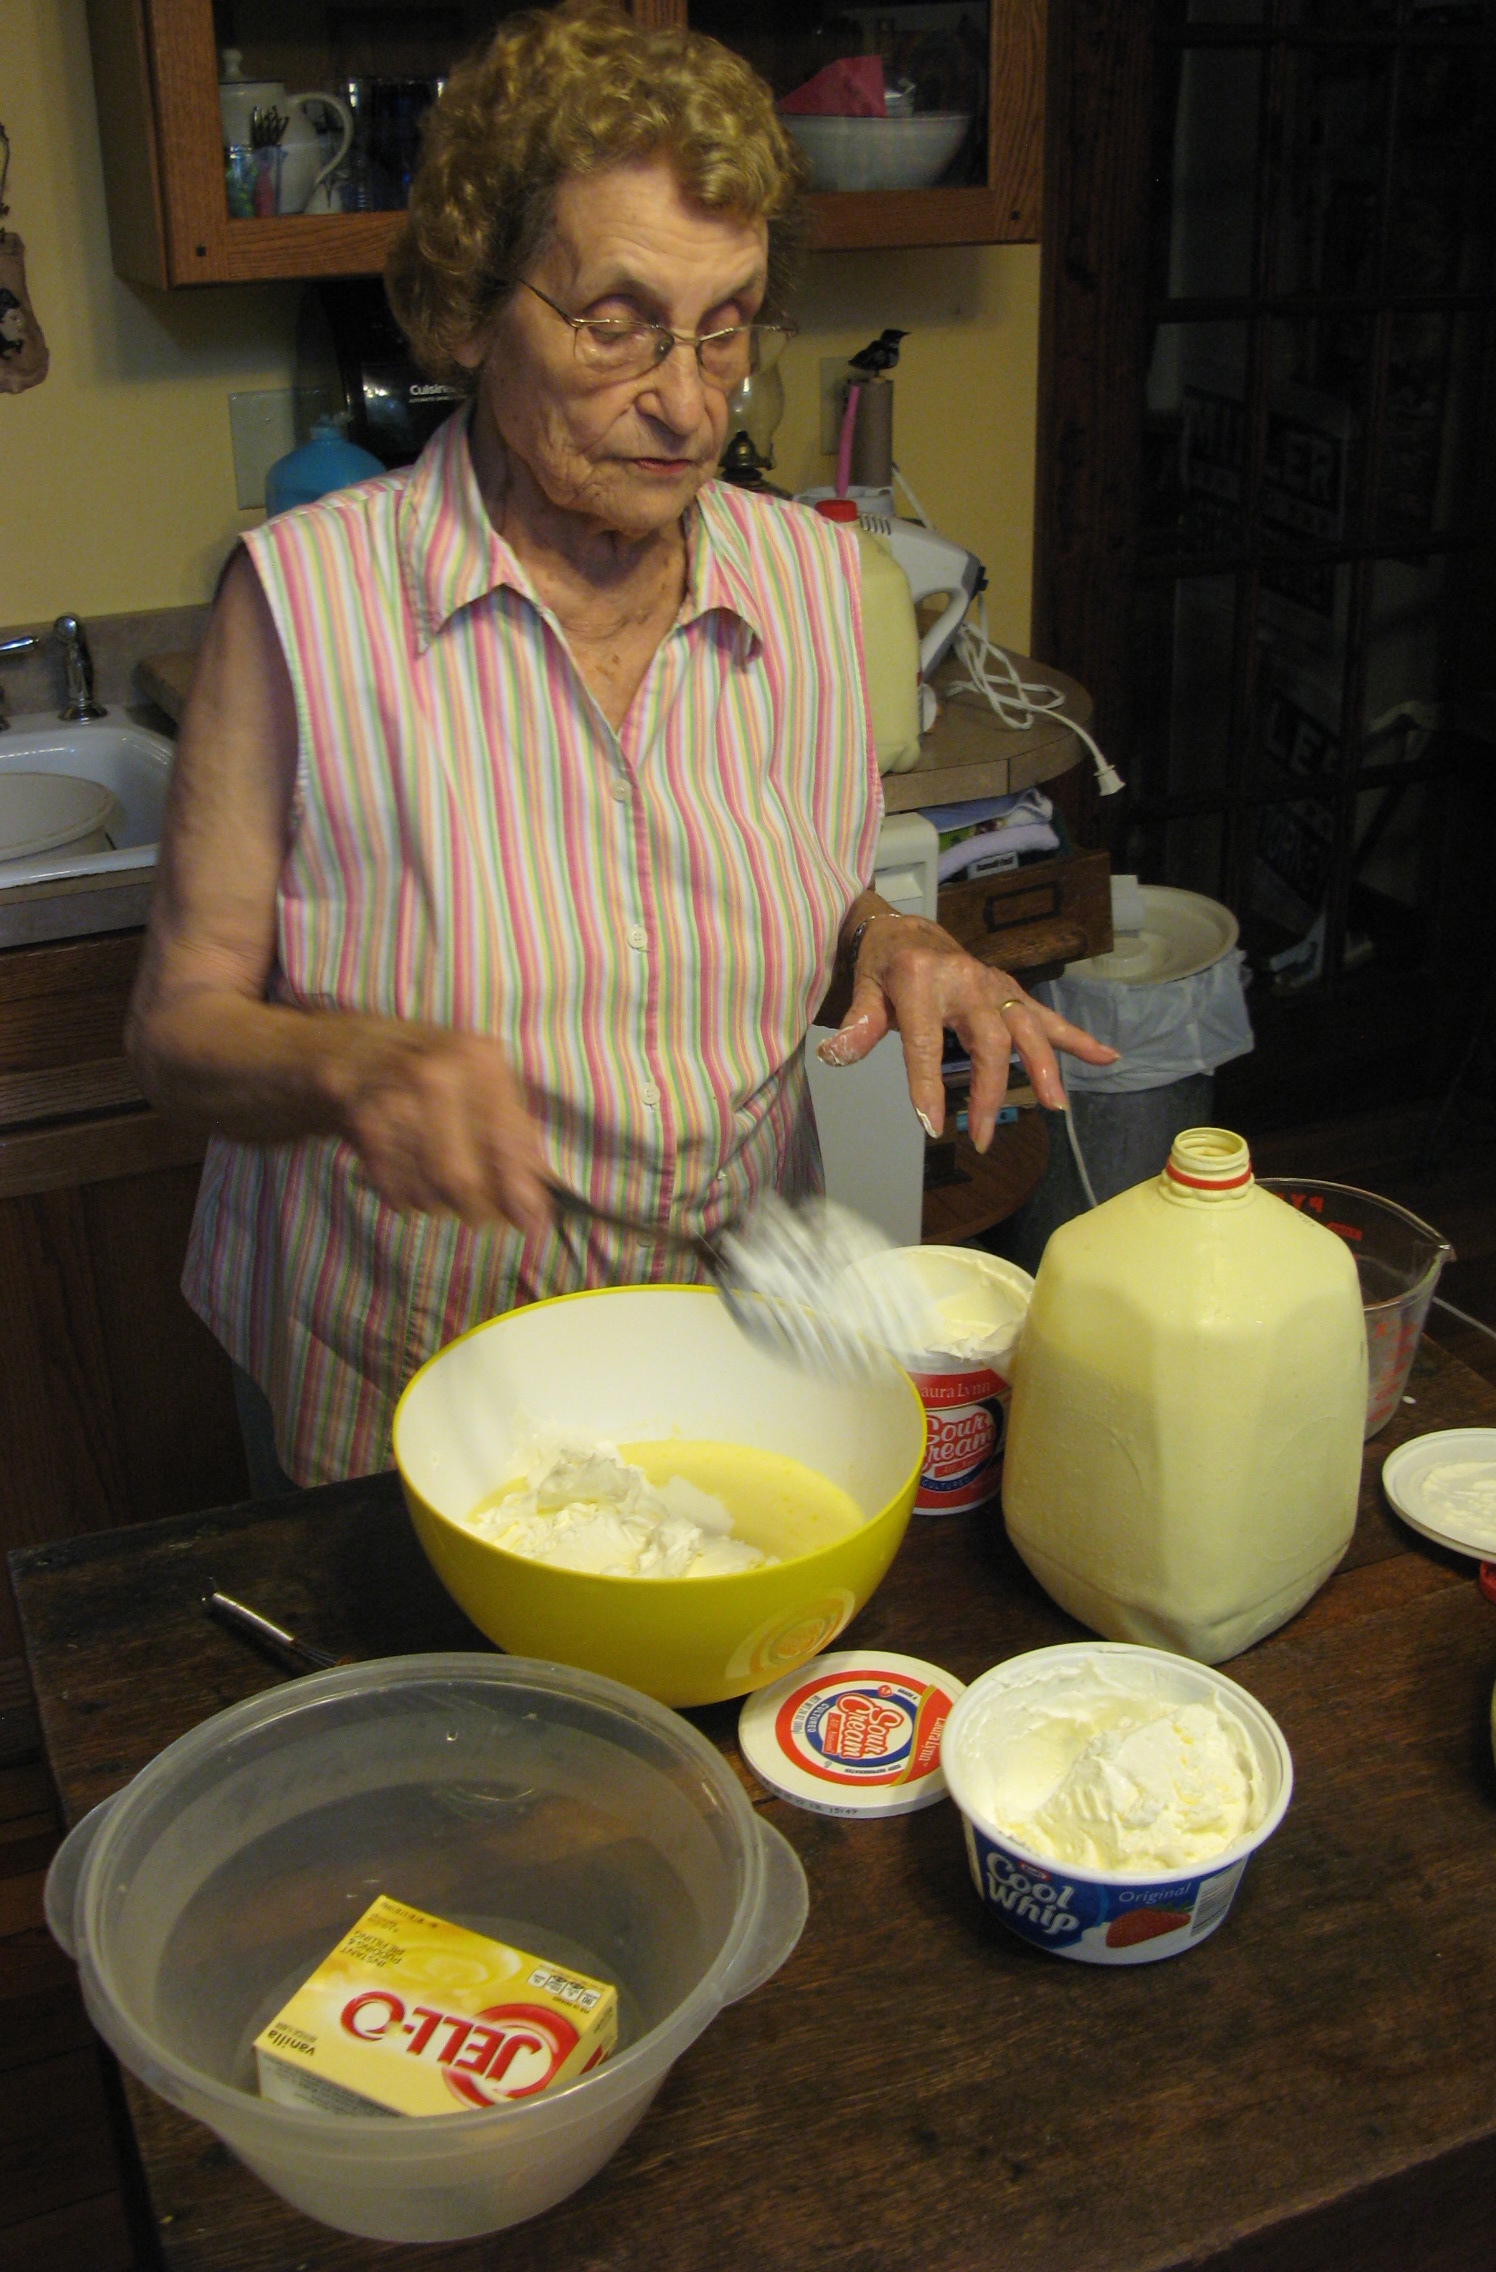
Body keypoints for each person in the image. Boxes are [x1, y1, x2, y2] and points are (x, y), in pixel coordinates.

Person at [126, 0, 1116, 1492]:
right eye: (618, 324)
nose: (686, 399)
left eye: (727, 329)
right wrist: (354, 1066)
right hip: (408, 1394)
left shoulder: (804, 582)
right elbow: (175, 1030)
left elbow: (796, 876)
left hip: (717, 1356)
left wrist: (894, 934)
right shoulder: (307, 603)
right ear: (470, 308)